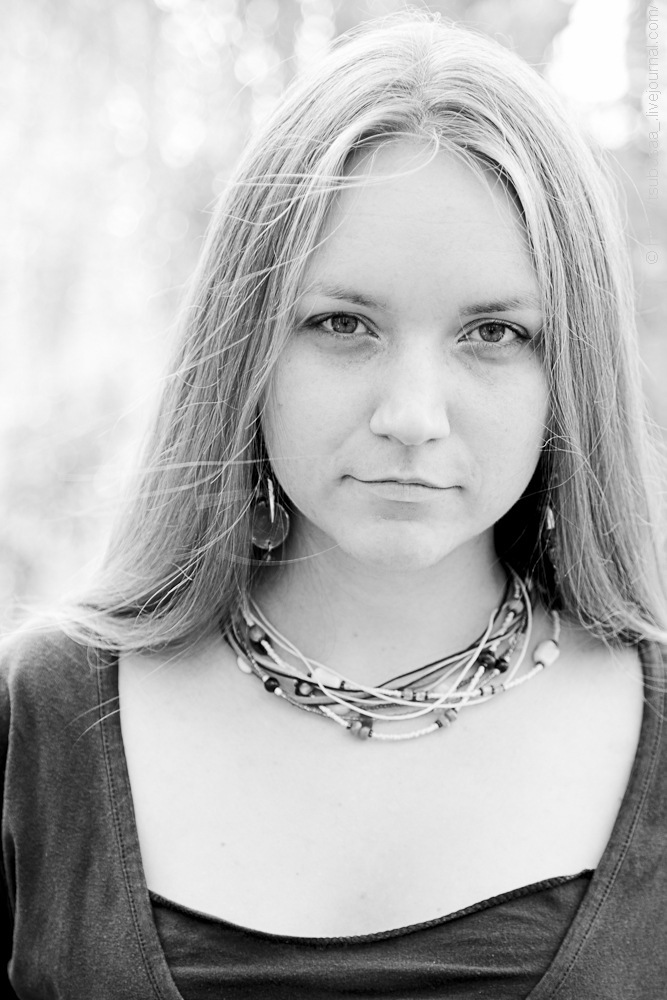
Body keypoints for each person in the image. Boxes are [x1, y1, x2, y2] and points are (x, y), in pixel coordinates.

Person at [1, 10, 666, 999]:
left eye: (491, 333)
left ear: (569, 373)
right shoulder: (47, 713)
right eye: (342, 323)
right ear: (246, 345)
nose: (412, 416)